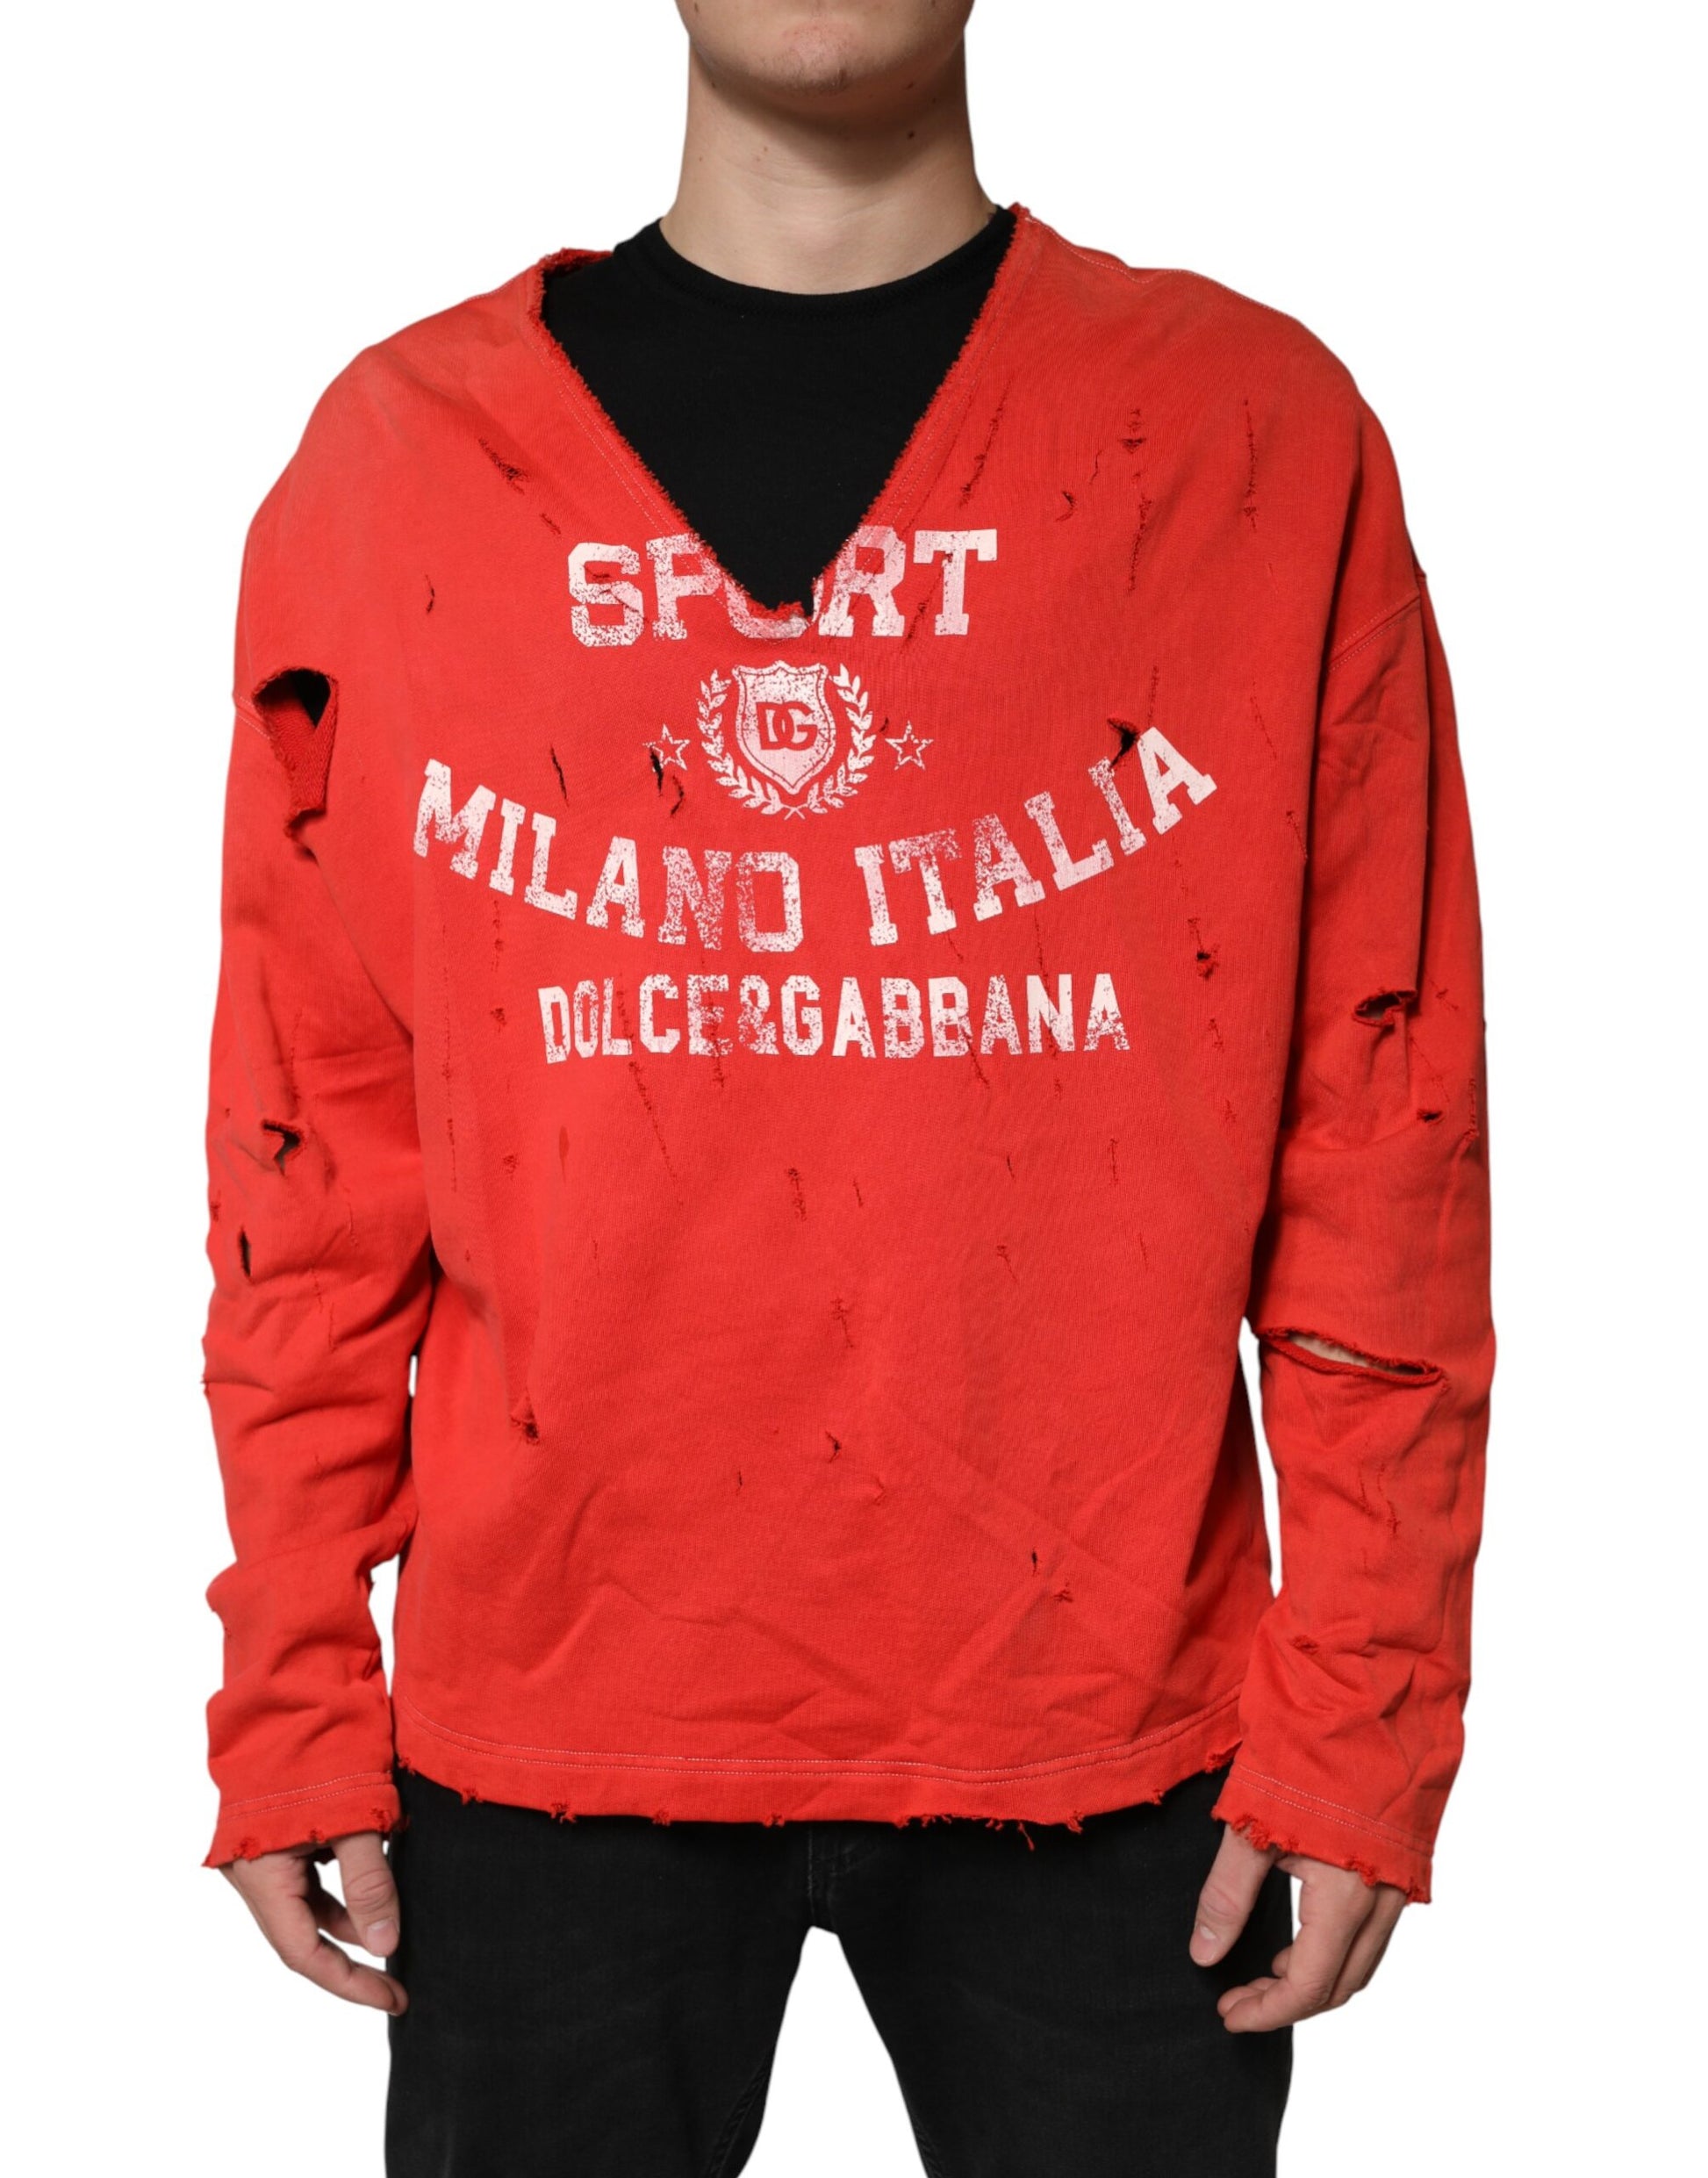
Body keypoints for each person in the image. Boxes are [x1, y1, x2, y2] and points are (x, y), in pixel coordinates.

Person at [203, 4, 1492, 2172]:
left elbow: (1386, 1118)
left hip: (1113, 1732)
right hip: (545, 1733)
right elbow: (310, 1142)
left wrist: (1362, 1710)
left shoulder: (1250, 436)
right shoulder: (402, 459)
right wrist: (295, 1677)